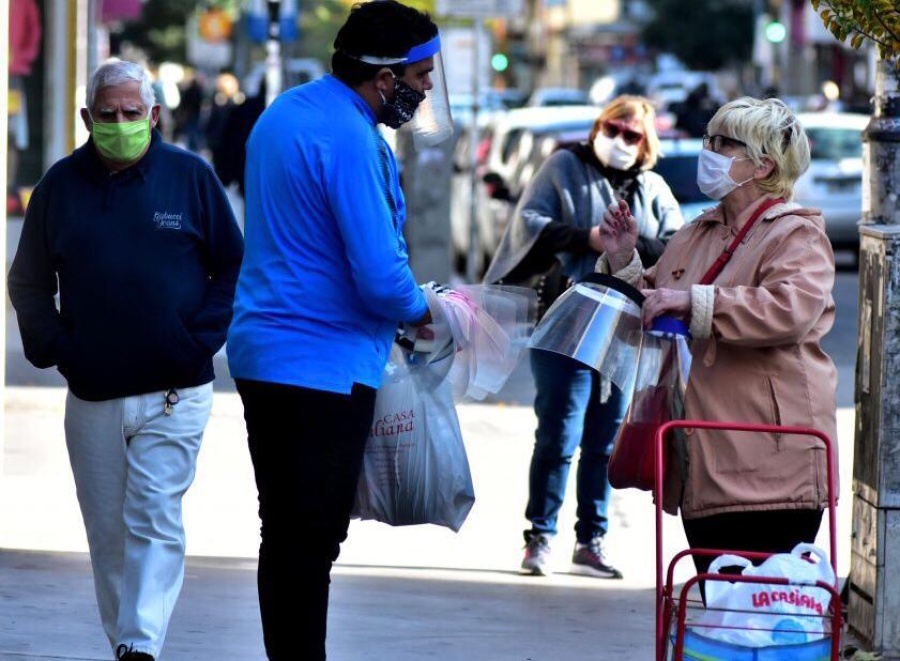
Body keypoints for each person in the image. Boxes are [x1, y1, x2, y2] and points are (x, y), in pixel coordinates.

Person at [225, 2, 452, 658]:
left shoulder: (286, 114)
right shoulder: (354, 139)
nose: (427, 87)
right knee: (313, 537)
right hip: (323, 363)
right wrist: (429, 309)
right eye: (422, 74)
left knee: (285, 530)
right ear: (385, 78)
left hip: (264, 353)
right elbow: (381, 278)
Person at [7, 59, 244, 661]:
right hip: (93, 394)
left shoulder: (191, 178)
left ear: (154, 115)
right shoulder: (59, 187)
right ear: (87, 118)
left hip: (175, 391)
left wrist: (200, 340)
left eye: (131, 114)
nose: (120, 124)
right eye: (107, 115)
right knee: (110, 536)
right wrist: (57, 348)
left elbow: (232, 267)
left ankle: (140, 645)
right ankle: (128, 644)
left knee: (153, 517)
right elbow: (28, 282)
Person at [596, 96, 837, 581]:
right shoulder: (696, 231)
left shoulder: (796, 235)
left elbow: (788, 310)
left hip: (772, 467)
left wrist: (697, 303)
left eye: (722, 143)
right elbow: (656, 299)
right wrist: (624, 261)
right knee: (717, 611)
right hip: (702, 463)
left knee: (764, 622)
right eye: (709, 139)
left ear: (763, 162)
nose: (708, 150)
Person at [484, 95, 685, 578]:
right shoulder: (563, 167)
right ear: (598, 126)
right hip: (566, 320)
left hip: (623, 330)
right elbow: (529, 225)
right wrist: (589, 239)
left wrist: (629, 246)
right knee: (558, 432)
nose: (619, 141)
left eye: (631, 135)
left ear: (646, 144)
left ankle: (591, 539)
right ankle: (540, 537)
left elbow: (678, 244)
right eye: (612, 129)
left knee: (606, 439)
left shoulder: (653, 187)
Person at [7, 0, 42, 216]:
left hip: (12, 76)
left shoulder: (24, 3)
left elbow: (33, 33)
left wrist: (19, 60)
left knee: (12, 133)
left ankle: (8, 187)